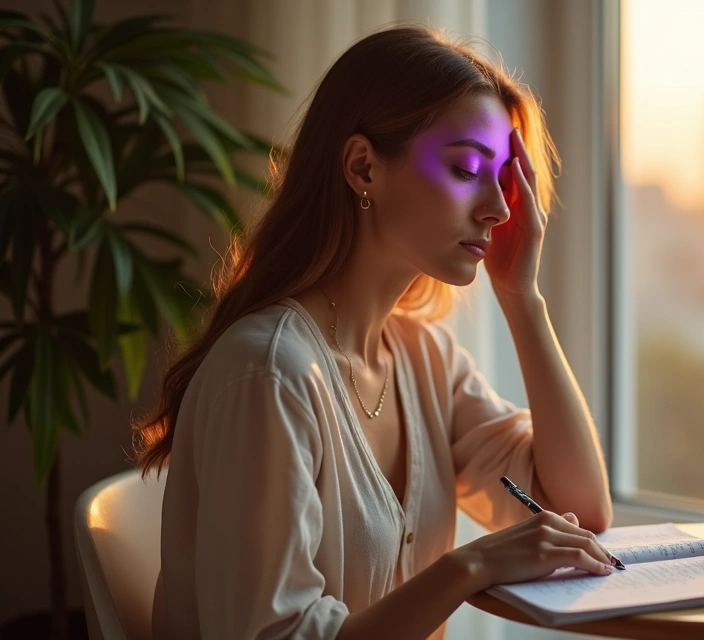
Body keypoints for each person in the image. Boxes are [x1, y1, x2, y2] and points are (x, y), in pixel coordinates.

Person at [132, 24, 616, 640]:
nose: (499, 207)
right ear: (363, 166)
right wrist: (471, 565)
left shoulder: (424, 358)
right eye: (468, 169)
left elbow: (580, 508)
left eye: (504, 178)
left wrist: (522, 297)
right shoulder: (269, 375)